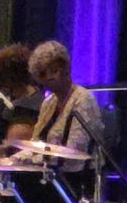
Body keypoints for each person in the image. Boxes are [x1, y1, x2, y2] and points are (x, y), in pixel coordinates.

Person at [26, 41, 110, 169]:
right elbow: (35, 143)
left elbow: (75, 150)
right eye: (43, 74)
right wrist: (12, 158)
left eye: (54, 71)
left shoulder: (83, 99)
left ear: (66, 69)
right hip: (51, 170)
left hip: (79, 175)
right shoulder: (48, 103)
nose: (49, 77)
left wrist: (34, 159)